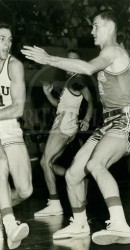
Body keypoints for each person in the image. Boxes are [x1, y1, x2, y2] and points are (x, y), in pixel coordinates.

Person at [21, 9, 130, 245]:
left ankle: (121, 224)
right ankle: (80, 224)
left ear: (110, 26)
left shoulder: (112, 50)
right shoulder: (109, 53)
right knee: (72, 174)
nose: (92, 31)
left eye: (96, 25)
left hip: (124, 120)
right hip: (108, 123)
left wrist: (49, 59)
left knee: (95, 164)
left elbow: (89, 68)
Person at [34, 49, 93, 217]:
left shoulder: (77, 81)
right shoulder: (71, 82)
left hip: (64, 123)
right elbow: (59, 106)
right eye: (68, 59)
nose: (69, 62)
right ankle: (76, 177)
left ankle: (54, 203)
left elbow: (90, 100)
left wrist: (87, 119)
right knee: (49, 163)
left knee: (45, 162)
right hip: (65, 121)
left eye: (73, 60)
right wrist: (47, 94)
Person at [0, 22, 33, 249]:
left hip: (10, 127)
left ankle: (3, 212)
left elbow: (18, 109)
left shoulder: (14, 65)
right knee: (0, 165)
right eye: (2, 38)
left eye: (9, 39)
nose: (7, 44)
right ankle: (10, 224)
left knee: (25, 190)